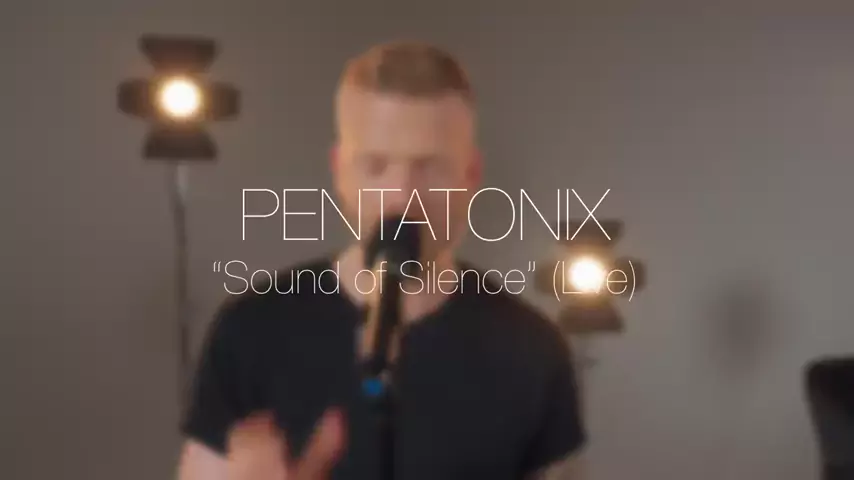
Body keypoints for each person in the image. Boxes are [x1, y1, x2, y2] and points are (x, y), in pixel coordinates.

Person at [176, 41, 586, 480]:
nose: (402, 197)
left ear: (470, 176)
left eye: (430, 168)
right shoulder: (251, 332)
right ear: (339, 172)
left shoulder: (532, 349)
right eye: (375, 166)